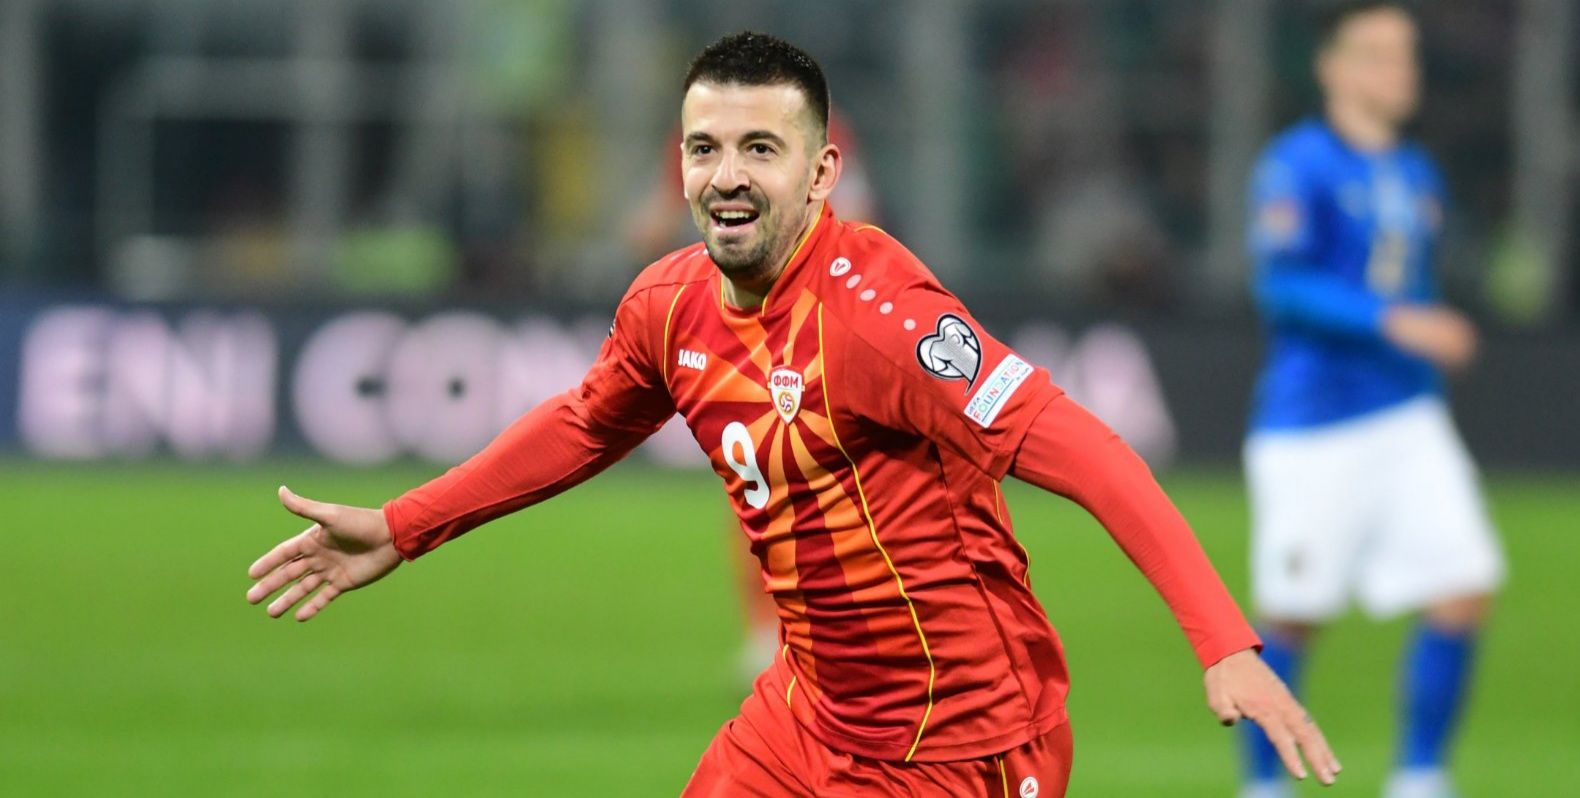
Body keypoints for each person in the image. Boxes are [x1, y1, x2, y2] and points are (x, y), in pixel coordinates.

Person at [247, 32, 1339, 797]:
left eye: (759, 151)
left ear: (821, 174)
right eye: (704, 149)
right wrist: (403, 526)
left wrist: (1222, 642)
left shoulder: (882, 318)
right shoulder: (670, 304)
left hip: (957, 744)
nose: (726, 177)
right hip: (804, 719)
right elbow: (583, 424)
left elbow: (1091, 453)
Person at [1239, 4, 1504, 798]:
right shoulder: (1297, 165)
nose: (1401, 71)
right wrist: (1395, 321)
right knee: (1294, 613)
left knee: (1465, 584)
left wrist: (1424, 334)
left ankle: (1421, 775)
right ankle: (1265, 783)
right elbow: (1283, 286)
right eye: (1380, 54)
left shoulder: (1415, 171)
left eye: (1407, 55)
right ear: (1332, 66)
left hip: (1408, 413)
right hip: (1315, 423)